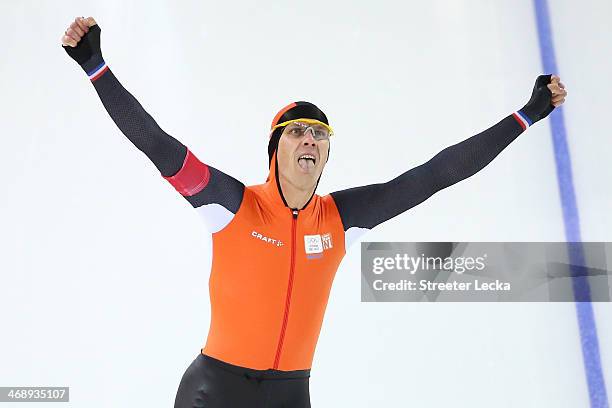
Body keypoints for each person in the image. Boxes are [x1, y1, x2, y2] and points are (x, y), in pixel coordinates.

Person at [61, 16, 567, 408]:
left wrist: (526, 114)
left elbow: (437, 174)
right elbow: (156, 144)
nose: (311, 140)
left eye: (320, 135)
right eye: (299, 132)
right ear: (276, 150)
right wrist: (96, 67)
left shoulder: (341, 217)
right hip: (214, 392)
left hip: (290, 396)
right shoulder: (231, 204)